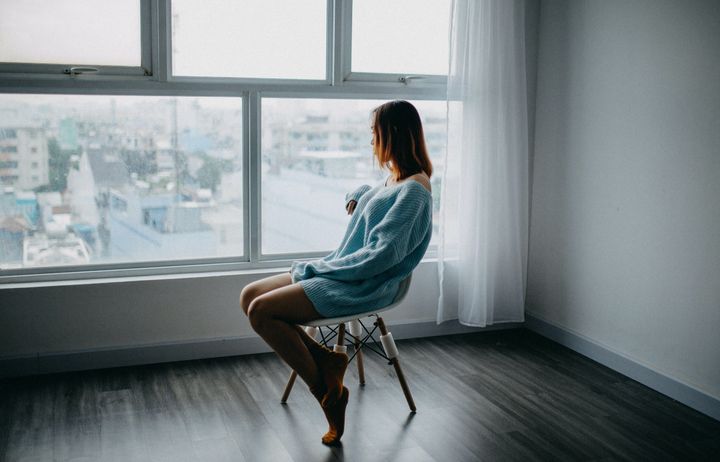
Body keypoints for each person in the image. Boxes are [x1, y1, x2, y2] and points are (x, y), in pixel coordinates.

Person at [239, 100, 433, 445]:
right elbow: (374, 195)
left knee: (261, 310)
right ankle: (328, 363)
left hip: (365, 284)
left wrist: (318, 269)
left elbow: (380, 257)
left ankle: (326, 394)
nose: (371, 141)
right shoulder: (394, 178)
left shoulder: (415, 191)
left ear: (393, 135)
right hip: (345, 271)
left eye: (375, 134)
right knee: (249, 294)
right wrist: (356, 195)